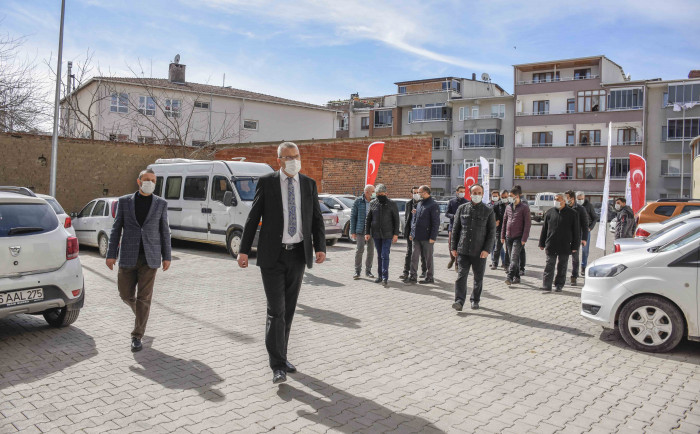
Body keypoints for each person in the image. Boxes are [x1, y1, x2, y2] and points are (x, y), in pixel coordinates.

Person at [237, 141, 326, 385]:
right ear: (279, 160)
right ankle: (277, 365)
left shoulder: (308, 184)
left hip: (297, 255)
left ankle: (282, 355)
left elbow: (316, 217)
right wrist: (243, 250)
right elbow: (253, 217)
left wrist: (320, 246)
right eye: (287, 157)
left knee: (288, 311)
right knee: (275, 311)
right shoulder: (267, 182)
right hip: (272, 257)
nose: (292, 160)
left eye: (295, 156)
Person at [106, 168, 172, 353]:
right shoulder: (125, 201)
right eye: (146, 179)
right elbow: (116, 228)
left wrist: (167, 256)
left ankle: (137, 335)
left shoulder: (161, 204)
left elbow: (164, 231)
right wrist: (111, 254)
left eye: (153, 180)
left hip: (150, 258)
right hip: (128, 256)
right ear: (139, 181)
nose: (149, 182)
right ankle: (142, 316)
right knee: (125, 294)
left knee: (144, 298)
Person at [451, 184, 496, 311]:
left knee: (478, 278)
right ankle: (459, 301)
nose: (476, 195)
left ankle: (475, 300)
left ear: (482, 194)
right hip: (463, 250)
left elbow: (492, 232)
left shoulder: (488, 210)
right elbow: (456, 229)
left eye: (479, 193)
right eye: (474, 193)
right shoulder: (462, 208)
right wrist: (453, 247)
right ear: (469, 194)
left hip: (479, 251)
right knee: (461, 276)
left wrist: (487, 250)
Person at [539, 193, 580, 292]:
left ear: (564, 201)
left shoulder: (572, 213)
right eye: (555, 199)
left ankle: (559, 285)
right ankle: (546, 285)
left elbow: (576, 231)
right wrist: (542, 243)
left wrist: (575, 246)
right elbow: (544, 229)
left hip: (565, 245)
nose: (556, 201)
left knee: (562, 266)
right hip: (551, 243)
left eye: (558, 199)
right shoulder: (549, 212)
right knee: (549, 265)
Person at [365, 184, 400, 287]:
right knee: (379, 255)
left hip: (388, 234)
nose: (380, 195)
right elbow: (369, 219)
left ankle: (385, 277)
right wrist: (367, 232)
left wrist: (396, 234)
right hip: (376, 234)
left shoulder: (392, 204)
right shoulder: (373, 203)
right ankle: (380, 276)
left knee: (385, 255)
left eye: (382, 193)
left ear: (386, 193)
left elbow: (396, 220)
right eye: (378, 194)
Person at [405, 185, 440, 284]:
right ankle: (413, 276)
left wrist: (433, 237)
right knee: (414, 257)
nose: (418, 194)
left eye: (419, 192)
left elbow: (436, 222)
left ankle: (429, 277)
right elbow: (414, 220)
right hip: (417, 236)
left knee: (428, 258)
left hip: (427, 237)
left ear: (425, 192)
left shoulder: (433, 205)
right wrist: (412, 233)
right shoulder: (420, 204)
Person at [502, 185, 531, 286]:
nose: (509, 197)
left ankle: (509, 277)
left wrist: (524, 238)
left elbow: (528, 224)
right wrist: (502, 236)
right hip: (508, 236)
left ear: (517, 196)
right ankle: (517, 277)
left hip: (519, 237)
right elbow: (504, 222)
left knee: (514, 258)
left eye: (511, 196)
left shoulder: (524, 208)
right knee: (512, 258)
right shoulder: (508, 207)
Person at [400, 186, 427, 280]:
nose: (416, 194)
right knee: (409, 252)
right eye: (414, 193)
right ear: (411, 194)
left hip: (420, 232)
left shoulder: (423, 203)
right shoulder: (408, 204)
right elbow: (408, 218)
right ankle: (405, 272)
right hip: (410, 231)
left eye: (417, 192)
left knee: (422, 253)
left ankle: (424, 271)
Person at [350, 184, 375, 280]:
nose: (374, 193)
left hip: (372, 230)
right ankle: (357, 271)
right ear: (366, 192)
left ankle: (368, 271)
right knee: (360, 249)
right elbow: (353, 216)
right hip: (361, 229)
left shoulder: (375, 201)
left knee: (371, 251)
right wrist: (353, 231)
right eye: (372, 191)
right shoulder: (358, 201)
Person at [565, 190, 589, 286]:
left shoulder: (580, 209)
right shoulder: (564, 207)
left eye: (567, 197)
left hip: (576, 237)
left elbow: (585, 224)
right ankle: (561, 276)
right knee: (563, 258)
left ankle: (574, 276)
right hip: (565, 237)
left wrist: (584, 238)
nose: (565, 199)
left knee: (575, 258)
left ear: (572, 198)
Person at [445, 186, 467, 269]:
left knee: (459, 245)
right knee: (451, 244)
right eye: (460, 191)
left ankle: (457, 264)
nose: (462, 193)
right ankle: (452, 258)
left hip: (462, 227)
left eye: (463, 191)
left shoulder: (466, 202)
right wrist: (453, 216)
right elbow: (447, 213)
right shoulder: (451, 202)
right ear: (457, 192)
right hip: (452, 227)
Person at [576, 191, 597, 274]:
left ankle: (583, 266)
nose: (580, 200)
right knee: (575, 250)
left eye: (581, 199)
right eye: (578, 199)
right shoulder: (574, 206)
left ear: (584, 198)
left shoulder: (589, 206)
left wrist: (590, 228)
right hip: (576, 231)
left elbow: (595, 218)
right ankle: (575, 267)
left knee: (585, 250)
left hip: (585, 231)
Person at [490, 190, 506, 270]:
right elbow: (492, 214)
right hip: (499, 229)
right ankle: (494, 263)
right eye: (502, 197)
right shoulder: (496, 205)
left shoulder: (511, 204)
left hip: (509, 229)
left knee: (509, 248)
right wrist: (495, 220)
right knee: (497, 247)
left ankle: (506, 263)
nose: (504, 198)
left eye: (505, 197)